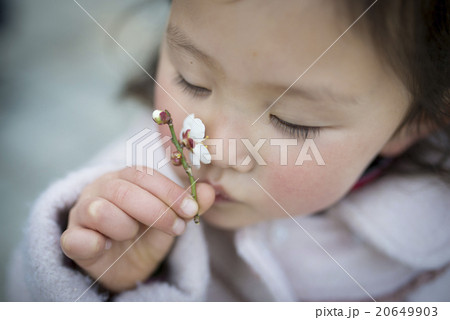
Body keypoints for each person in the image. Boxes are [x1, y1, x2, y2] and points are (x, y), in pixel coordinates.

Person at [7, 0, 450, 301]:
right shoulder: (135, 178)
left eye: (293, 120)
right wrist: (101, 281)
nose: (212, 149)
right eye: (192, 80)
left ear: (417, 121)